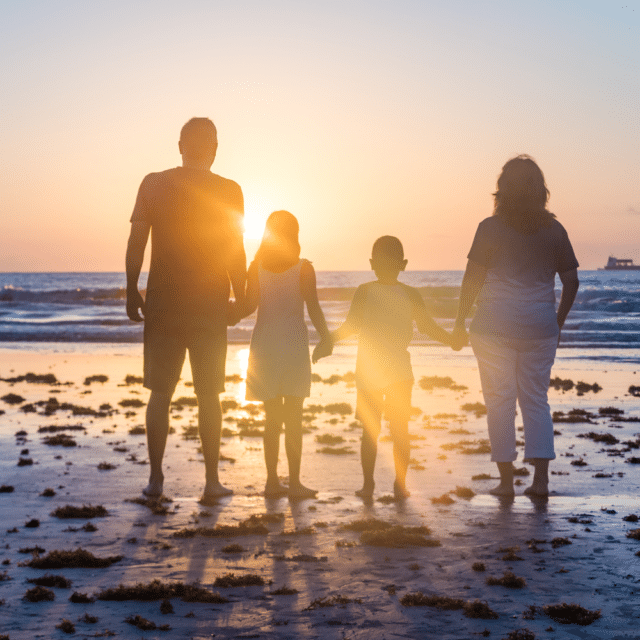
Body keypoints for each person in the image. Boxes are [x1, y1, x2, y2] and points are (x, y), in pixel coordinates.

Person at [125, 117, 246, 501]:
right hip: (210, 305)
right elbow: (234, 250)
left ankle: (156, 481)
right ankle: (211, 483)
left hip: (163, 303)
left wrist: (131, 289)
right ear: (213, 149)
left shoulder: (153, 183)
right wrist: (240, 295)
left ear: (180, 146)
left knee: (160, 394)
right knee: (209, 396)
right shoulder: (229, 190)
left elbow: (136, 242)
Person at [452, 155, 579, 497]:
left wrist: (459, 322)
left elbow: (471, 281)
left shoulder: (489, 228)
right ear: (541, 190)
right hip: (540, 329)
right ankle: (540, 483)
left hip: (493, 328)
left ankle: (506, 483)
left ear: (502, 190)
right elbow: (571, 281)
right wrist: (557, 321)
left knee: (499, 401)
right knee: (536, 401)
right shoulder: (555, 231)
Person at [327, 236, 457, 500]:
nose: (384, 266)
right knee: (383, 431)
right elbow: (351, 326)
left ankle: (389, 484)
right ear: (373, 264)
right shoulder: (374, 291)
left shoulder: (403, 294)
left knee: (387, 431)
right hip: (377, 371)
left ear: (403, 264)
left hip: (387, 372)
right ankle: (379, 484)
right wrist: (326, 342)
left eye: (389, 262)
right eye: (382, 262)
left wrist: (451, 340)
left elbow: (427, 326)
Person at [239, 210, 332, 499]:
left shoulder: (256, 267)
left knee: (271, 418)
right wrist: (326, 337)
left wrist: (223, 314)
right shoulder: (304, 268)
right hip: (293, 346)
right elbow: (314, 307)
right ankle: (293, 485)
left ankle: (270, 482)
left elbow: (249, 306)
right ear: (295, 235)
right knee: (293, 418)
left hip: (264, 345)